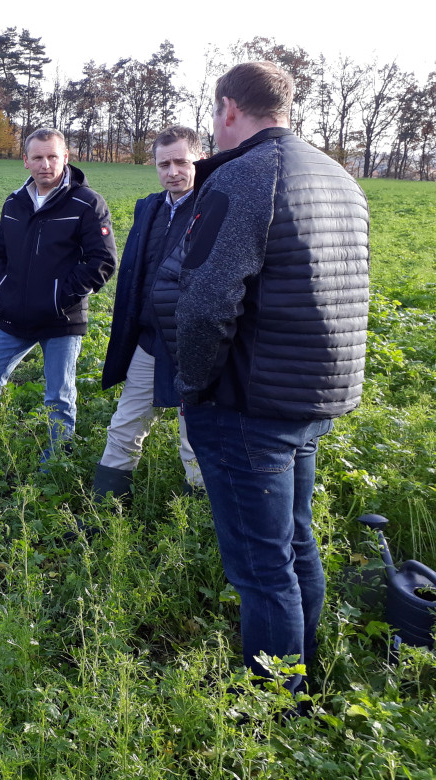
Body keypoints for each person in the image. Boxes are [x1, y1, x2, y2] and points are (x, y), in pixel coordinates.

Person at [154, 61, 370, 694]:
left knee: (261, 568)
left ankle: (278, 702)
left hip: (248, 404)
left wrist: (194, 389)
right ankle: (306, 672)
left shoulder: (248, 176)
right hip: (313, 395)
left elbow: (205, 302)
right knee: (296, 543)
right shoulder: (337, 176)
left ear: (227, 108)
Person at [0, 128, 117, 464]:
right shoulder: (14, 203)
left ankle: (55, 467)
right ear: (25, 161)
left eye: (53, 156)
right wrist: (2, 291)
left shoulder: (87, 203)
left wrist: (59, 297)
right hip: (14, 317)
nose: (46, 164)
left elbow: (102, 261)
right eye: (38, 157)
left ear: (65, 158)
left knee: (58, 396)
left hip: (62, 319)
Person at [94, 126, 204, 500]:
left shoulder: (213, 208)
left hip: (195, 345)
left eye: (181, 162)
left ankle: (196, 521)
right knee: (125, 425)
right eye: (164, 164)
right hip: (150, 341)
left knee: (196, 439)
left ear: (198, 160)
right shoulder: (149, 207)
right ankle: (105, 509)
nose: (172, 171)